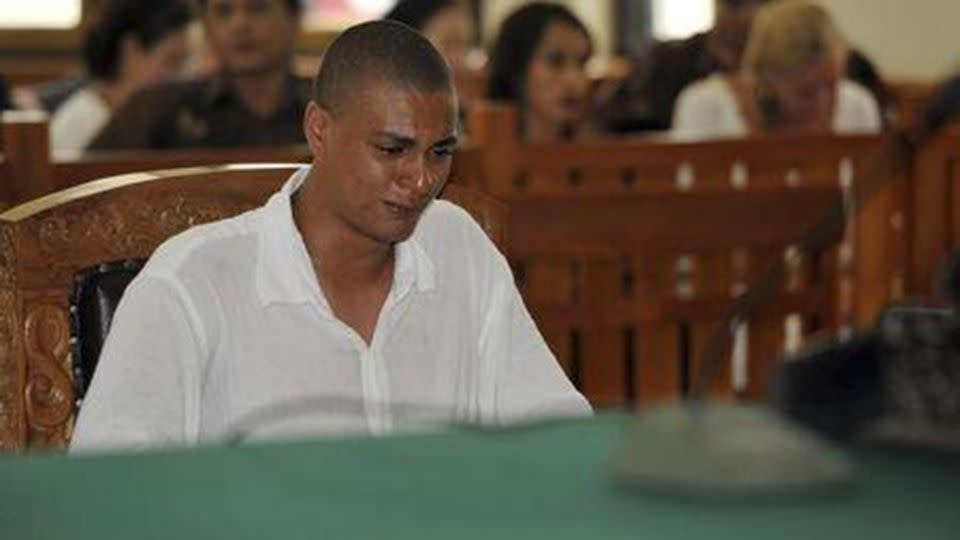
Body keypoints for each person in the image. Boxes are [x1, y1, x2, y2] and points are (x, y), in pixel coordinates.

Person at [71, 20, 590, 450]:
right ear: (318, 130)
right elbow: (112, 494)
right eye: (392, 149)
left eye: (440, 151)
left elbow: (555, 439)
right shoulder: (191, 284)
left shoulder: (459, 248)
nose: (421, 180)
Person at [601, 0, 887, 133]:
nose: (827, 104)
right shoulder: (700, 99)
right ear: (764, 82)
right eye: (807, 92)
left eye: (832, 84)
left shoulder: (857, 104)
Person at [88, 0, 309, 150]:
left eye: (257, 8)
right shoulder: (154, 108)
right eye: (223, 11)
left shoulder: (328, 108)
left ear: (294, 19)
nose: (240, 25)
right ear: (206, 25)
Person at [50, 0, 192, 151]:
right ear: (132, 52)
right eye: (172, 60)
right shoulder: (82, 123)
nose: (184, 73)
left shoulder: (156, 122)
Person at [486, 3, 594, 142]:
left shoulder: (602, 152)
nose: (573, 79)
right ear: (518, 67)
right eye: (555, 61)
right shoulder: (472, 156)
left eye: (582, 62)